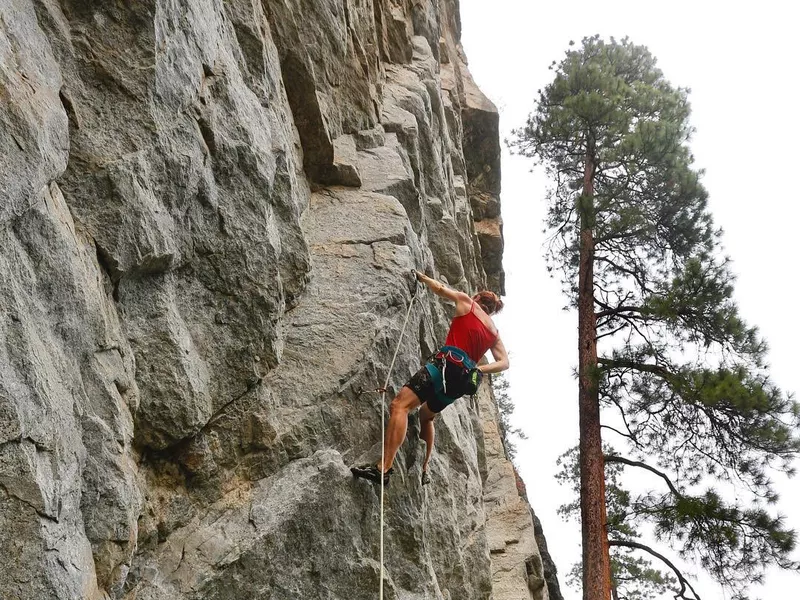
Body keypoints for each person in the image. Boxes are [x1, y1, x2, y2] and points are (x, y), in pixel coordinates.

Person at [351, 271, 509, 486]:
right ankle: (425, 467)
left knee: (400, 405)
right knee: (427, 416)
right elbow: (504, 363)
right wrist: (480, 370)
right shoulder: (494, 332)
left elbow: (440, 289)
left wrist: (422, 278)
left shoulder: (468, 302)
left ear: (478, 299)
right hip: (461, 381)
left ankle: (384, 468)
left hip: (446, 366)